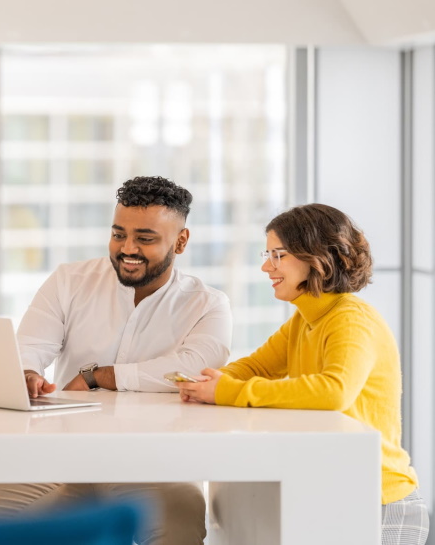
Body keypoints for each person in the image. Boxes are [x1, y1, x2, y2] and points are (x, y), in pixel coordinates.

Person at [0, 176, 233, 545]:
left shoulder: (208, 304)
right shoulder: (70, 281)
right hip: (61, 452)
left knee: (178, 527)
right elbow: (31, 345)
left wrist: (100, 376)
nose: (127, 248)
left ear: (181, 241)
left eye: (145, 238)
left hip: (153, 459)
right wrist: (26, 373)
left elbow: (191, 369)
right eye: (119, 234)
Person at [175, 203, 429, 545]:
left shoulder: (351, 318)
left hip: (379, 499)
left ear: (316, 257)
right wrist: (205, 382)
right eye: (267, 253)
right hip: (337, 492)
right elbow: (255, 366)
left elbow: (333, 392)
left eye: (278, 255)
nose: (266, 266)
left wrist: (227, 391)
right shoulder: (304, 320)